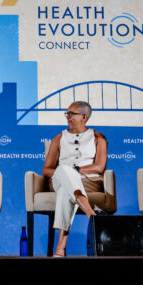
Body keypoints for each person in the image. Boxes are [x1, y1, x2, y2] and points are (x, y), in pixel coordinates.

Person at [41, 101, 107, 257]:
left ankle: (60, 249)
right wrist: (66, 171)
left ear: (84, 117)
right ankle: (90, 213)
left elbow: (99, 167)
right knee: (63, 169)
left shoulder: (98, 138)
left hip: (88, 181)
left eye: (72, 113)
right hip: (60, 179)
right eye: (67, 113)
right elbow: (46, 170)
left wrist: (77, 171)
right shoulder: (59, 138)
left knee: (65, 192)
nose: (68, 117)